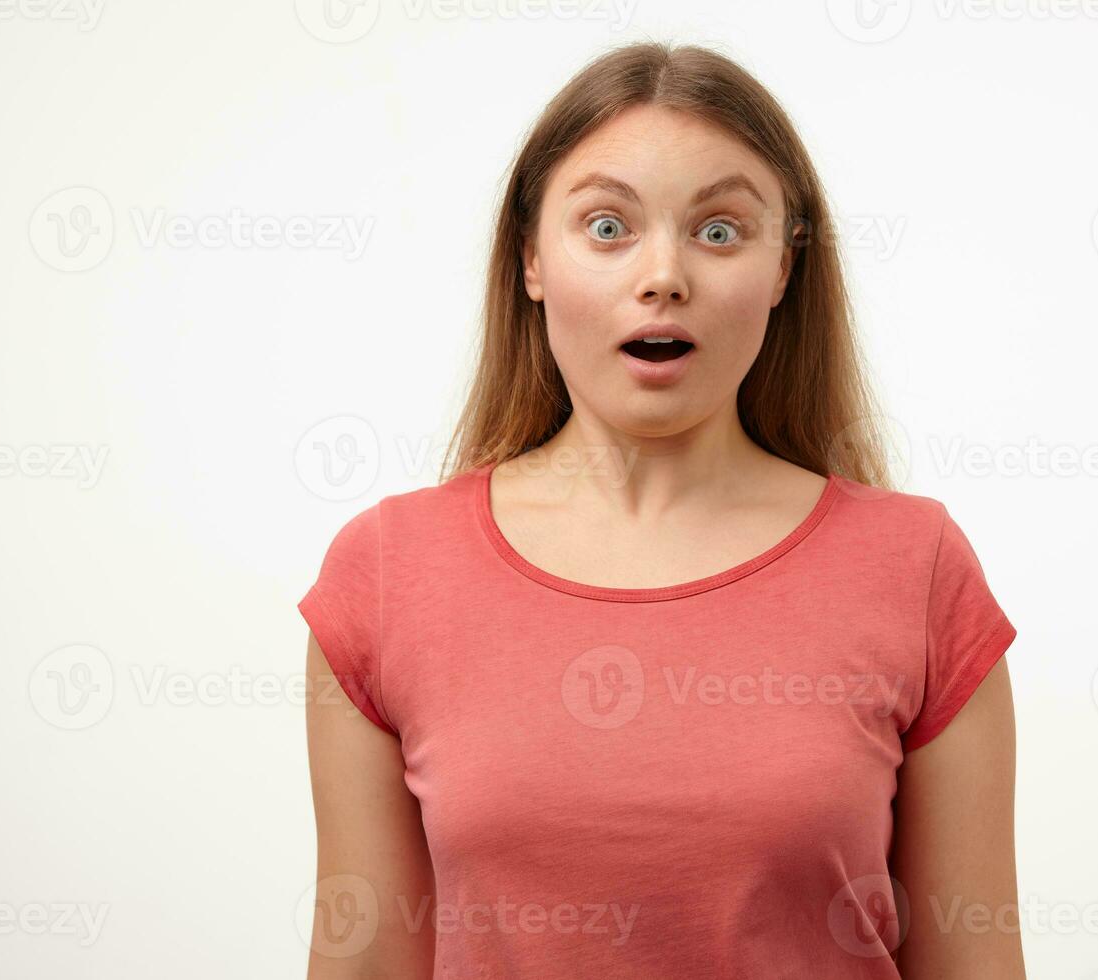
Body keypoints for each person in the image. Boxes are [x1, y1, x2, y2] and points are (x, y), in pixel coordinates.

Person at [300, 40, 1023, 979]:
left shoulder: (917, 568)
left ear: (783, 272)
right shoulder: (388, 574)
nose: (664, 275)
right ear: (530, 261)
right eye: (607, 227)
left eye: (720, 231)